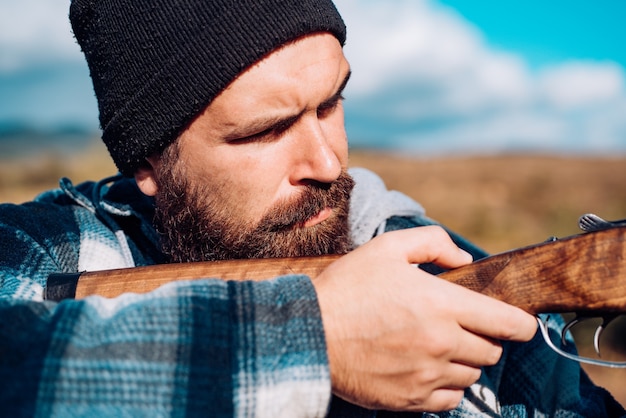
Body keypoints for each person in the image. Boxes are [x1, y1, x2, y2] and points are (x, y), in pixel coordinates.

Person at [0, 0, 622, 416]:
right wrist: (312, 339)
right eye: (264, 131)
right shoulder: (47, 252)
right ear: (149, 164)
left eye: (330, 104)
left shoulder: (446, 270)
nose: (328, 165)